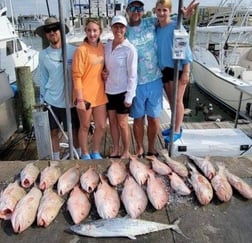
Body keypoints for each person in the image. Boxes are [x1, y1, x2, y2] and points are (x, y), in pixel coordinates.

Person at [125, 0, 198, 157]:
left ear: (144, 11)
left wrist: (183, 16)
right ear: (127, 10)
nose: (136, 11)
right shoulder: (124, 29)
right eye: (132, 7)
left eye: (139, 8)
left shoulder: (151, 22)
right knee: (138, 118)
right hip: (137, 82)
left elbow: (169, 20)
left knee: (157, 115)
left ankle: (154, 145)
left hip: (156, 78)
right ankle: (139, 147)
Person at [36, 17, 80, 160]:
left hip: (71, 101)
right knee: (53, 131)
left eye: (55, 29)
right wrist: (42, 99)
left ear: (61, 31)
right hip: (52, 101)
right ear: (45, 35)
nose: (52, 32)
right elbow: (43, 78)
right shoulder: (43, 55)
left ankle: (77, 154)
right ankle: (56, 159)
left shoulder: (74, 51)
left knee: (74, 130)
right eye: (48, 30)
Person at [155, 0, 193, 142]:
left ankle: (177, 129)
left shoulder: (176, 26)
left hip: (178, 68)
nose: (162, 13)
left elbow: (185, 49)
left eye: (165, 10)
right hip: (165, 69)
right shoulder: (157, 27)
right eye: (159, 10)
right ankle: (173, 126)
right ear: (155, 11)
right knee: (171, 101)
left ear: (170, 11)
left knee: (177, 100)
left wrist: (186, 71)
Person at [72, 18, 108, 160]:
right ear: (85, 31)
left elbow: (102, 67)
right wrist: (79, 98)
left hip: (99, 94)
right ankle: (85, 153)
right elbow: (76, 76)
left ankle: (95, 151)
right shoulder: (81, 50)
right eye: (89, 30)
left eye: (95, 30)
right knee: (85, 126)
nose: (92, 34)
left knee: (101, 126)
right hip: (84, 95)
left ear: (100, 32)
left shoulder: (102, 48)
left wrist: (105, 72)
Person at [104, 15, 138, 159]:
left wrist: (129, 96)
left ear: (125, 29)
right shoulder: (106, 46)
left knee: (123, 124)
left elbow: (132, 75)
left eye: (121, 27)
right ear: (111, 28)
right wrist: (103, 72)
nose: (118, 29)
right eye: (116, 26)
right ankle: (116, 149)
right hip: (108, 91)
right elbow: (104, 65)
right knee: (112, 122)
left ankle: (126, 151)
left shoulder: (130, 49)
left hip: (123, 92)